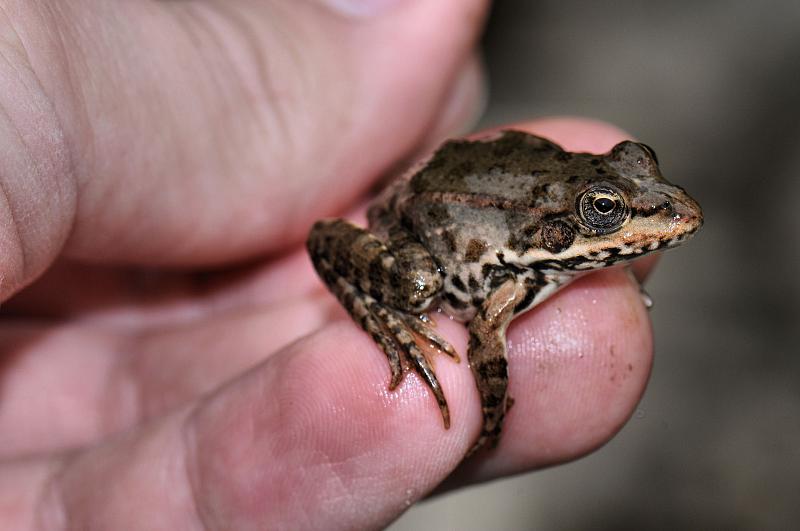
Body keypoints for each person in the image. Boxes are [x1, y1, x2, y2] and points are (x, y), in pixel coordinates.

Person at [0, 1, 656, 528]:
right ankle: (382, 314)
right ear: (570, 219)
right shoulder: (508, 281)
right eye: (605, 209)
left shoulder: (565, 245)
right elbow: (486, 337)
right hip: (423, 229)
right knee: (420, 284)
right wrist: (493, 417)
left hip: (454, 181)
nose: (656, 216)